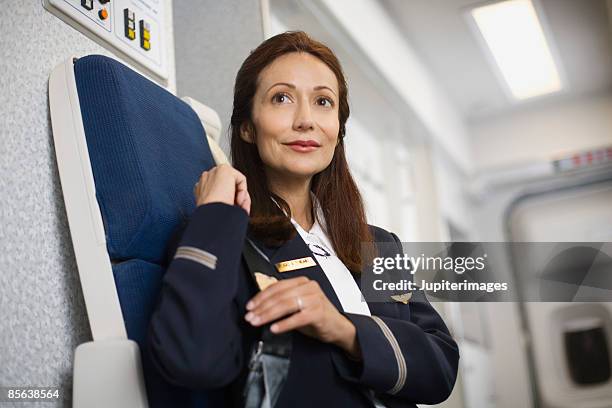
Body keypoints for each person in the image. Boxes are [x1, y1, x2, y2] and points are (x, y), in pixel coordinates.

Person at [147, 31, 459, 408]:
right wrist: (213, 217)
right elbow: (192, 362)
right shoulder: (221, 237)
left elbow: (440, 368)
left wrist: (345, 331)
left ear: (338, 131)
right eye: (281, 98)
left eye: (323, 102)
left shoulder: (378, 246)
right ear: (247, 126)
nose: (305, 120)